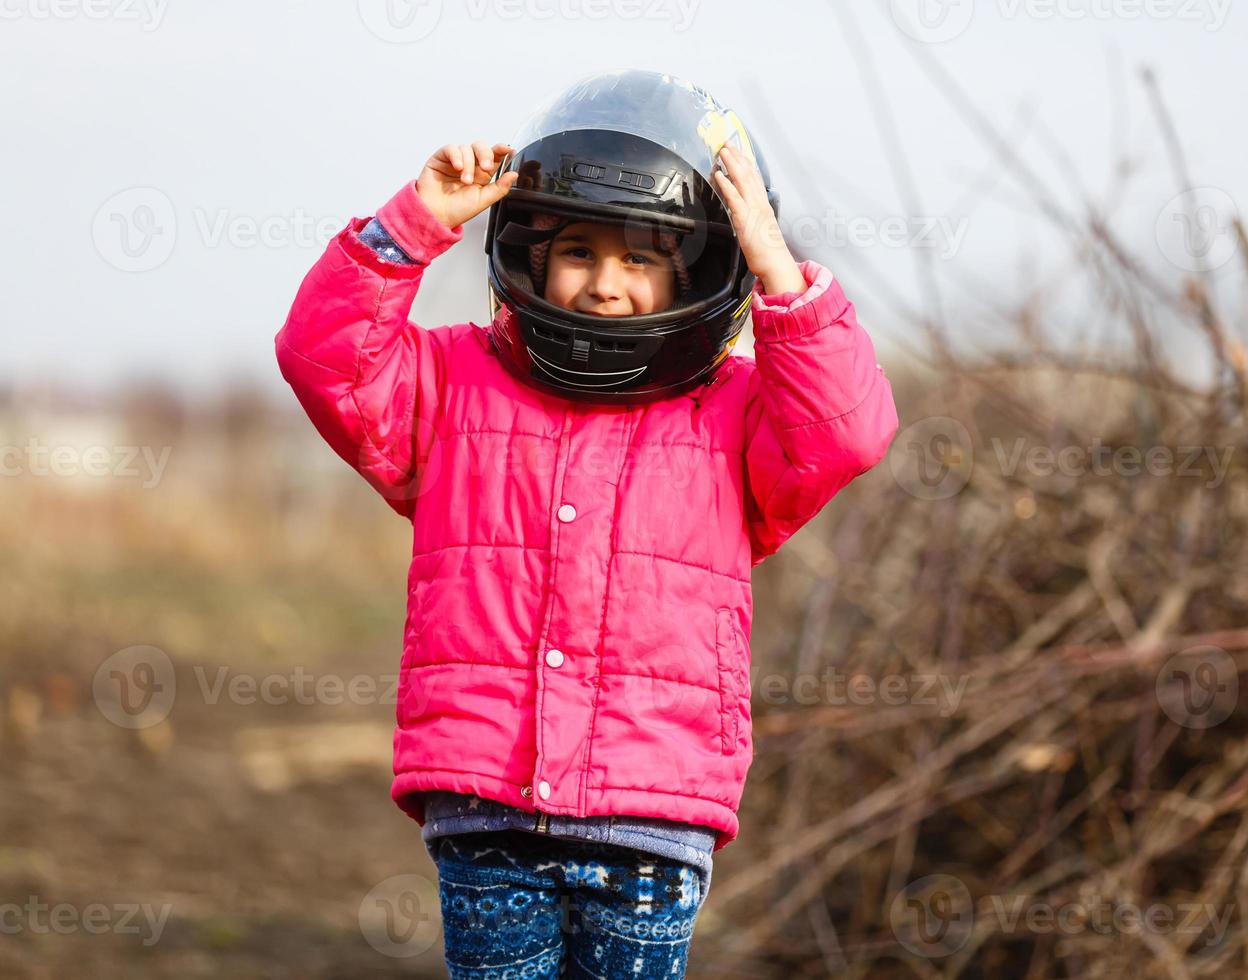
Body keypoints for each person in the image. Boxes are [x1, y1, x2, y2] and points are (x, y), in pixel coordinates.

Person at [275, 69, 899, 978]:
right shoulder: (452, 387)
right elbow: (325, 359)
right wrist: (413, 223)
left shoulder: (735, 416)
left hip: (653, 817)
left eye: (643, 258)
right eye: (579, 251)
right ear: (527, 255)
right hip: (484, 807)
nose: (606, 286)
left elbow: (848, 432)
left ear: (697, 269)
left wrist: (778, 264)